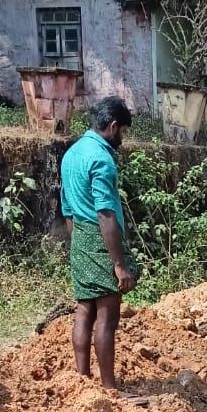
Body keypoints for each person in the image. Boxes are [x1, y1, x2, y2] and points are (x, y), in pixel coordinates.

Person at [60, 96, 140, 393]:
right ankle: (109, 387)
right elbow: (105, 212)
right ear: (113, 126)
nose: (123, 139)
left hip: (79, 236)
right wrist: (119, 264)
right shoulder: (101, 159)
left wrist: (78, 242)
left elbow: (66, 206)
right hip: (100, 236)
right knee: (107, 317)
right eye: (124, 132)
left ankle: (82, 381)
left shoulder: (71, 154)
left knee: (84, 311)